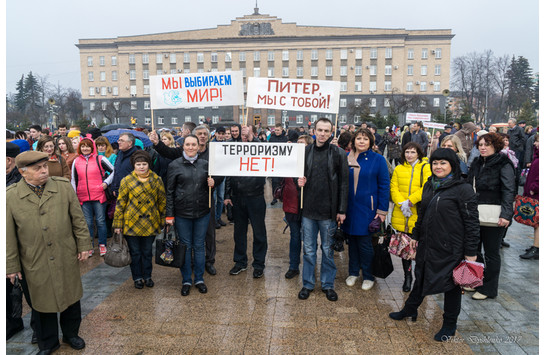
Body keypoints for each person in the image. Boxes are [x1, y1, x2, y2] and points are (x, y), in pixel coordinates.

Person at [389, 148, 480, 342]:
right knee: (420, 278)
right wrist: (415, 234)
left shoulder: (463, 189)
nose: (438, 167)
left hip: (452, 248)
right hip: (428, 244)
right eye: (435, 163)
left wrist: (471, 253)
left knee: (452, 286)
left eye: (443, 163)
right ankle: (410, 309)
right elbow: (423, 213)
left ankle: (449, 325)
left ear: (452, 165)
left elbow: (472, 223)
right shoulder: (430, 184)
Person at [7, 151, 92, 353]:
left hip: (64, 253)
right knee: (41, 302)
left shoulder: (62, 187)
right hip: (34, 259)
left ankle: (71, 334)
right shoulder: (10, 196)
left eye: (45, 166)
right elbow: (8, 236)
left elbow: (78, 220)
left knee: (71, 297)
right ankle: (48, 342)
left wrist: (84, 245)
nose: (44, 171)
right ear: (22, 172)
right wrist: (11, 266)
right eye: (38, 168)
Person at [297, 118, 349, 302]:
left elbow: (344, 183)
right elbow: (298, 176)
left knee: (327, 250)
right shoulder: (305, 152)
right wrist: (299, 182)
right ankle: (308, 284)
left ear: (331, 132)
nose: (322, 134)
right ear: (314, 130)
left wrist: (341, 209)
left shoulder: (338, 154)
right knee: (309, 250)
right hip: (309, 210)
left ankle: (328, 285)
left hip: (328, 211)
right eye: (320, 130)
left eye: (327, 131)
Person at [466, 132, 516, 300]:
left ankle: (489, 289)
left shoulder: (503, 163)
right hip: (475, 214)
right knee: (475, 250)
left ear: (495, 146)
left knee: (491, 253)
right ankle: (478, 282)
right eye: (480, 144)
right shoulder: (477, 162)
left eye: (487, 144)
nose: (483, 147)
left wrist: (506, 214)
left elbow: (509, 190)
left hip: (495, 215)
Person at [166, 135, 217, 296]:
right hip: (182, 213)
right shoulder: (175, 165)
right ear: (183, 146)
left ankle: (200, 279)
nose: (190, 147)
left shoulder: (205, 164)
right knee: (186, 246)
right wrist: (169, 215)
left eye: (193, 144)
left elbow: (210, 190)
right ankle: (187, 279)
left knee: (199, 245)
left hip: (202, 211)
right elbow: (170, 192)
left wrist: (213, 185)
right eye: (187, 144)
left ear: (198, 146)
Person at [343, 128, 390, 291]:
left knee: (365, 243)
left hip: (368, 208)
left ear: (370, 142)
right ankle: (353, 272)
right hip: (349, 207)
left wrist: (382, 211)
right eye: (358, 138)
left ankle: (369, 275)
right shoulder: (346, 158)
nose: (361, 141)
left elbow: (384, 185)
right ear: (353, 141)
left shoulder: (378, 160)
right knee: (352, 241)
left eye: (365, 139)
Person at [113, 150, 166, 289]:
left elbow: (162, 201)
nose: (142, 167)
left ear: (149, 164)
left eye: (144, 164)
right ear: (134, 165)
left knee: (147, 252)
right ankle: (137, 277)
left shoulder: (156, 179)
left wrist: (163, 220)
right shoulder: (126, 180)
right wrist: (118, 224)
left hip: (150, 221)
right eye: (138, 164)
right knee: (135, 253)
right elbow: (120, 203)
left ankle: (147, 276)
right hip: (131, 223)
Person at [224, 125, 268, 278]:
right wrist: (227, 194)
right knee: (239, 233)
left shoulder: (258, 146)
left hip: (255, 196)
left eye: (246, 134)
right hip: (237, 196)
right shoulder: (233, 148)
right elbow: (228, 173)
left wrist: (252, 139)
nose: (243, 137)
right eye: (241, 135)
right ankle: (240, 261)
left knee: (259, 232)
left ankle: (259, 263)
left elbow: (265, 152)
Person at [390, 142, 432, 292]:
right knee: (405, 249)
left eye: (412, 152)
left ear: (418, 153)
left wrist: (411, 201)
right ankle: (408, 278)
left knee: (420, 249)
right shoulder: (399, 168)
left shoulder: (425, 168)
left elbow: (427, 187)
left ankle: (421, 278)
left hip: (418, 213)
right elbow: (393, 187)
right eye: (407, 152)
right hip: (403, 214)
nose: (409, 155)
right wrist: (401, 202)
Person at [71, 138, 114, 257]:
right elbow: (74, 179)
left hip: (99, 195)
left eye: (88, 146)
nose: (85, 149)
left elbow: (113, 171)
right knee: (88, 223)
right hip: (83, 196)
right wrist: (74, 194)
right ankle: (89, 246)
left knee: (100, 221)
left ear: (92, 148)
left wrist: (106, 183)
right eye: (83, 146)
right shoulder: (76, 161)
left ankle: (102, 244)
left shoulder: (100, 159)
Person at [282, 135, 311, 279]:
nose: (299, 146)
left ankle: (310, 265)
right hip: (292, 205)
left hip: (309, 206)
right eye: (297, 143)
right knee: (295, 237)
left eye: (302, 144)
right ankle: (293, 266)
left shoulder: (312, 161)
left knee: (309, 238)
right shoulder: (289, 160)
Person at [519, 133, 539, 259]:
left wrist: (534, 188)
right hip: (535, 194)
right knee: (537, 222)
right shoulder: (537, 156)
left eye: (538, 141)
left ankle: (537, 249)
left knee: (539, 223)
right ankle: (536, 245)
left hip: (537, 194)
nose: (535, 143)